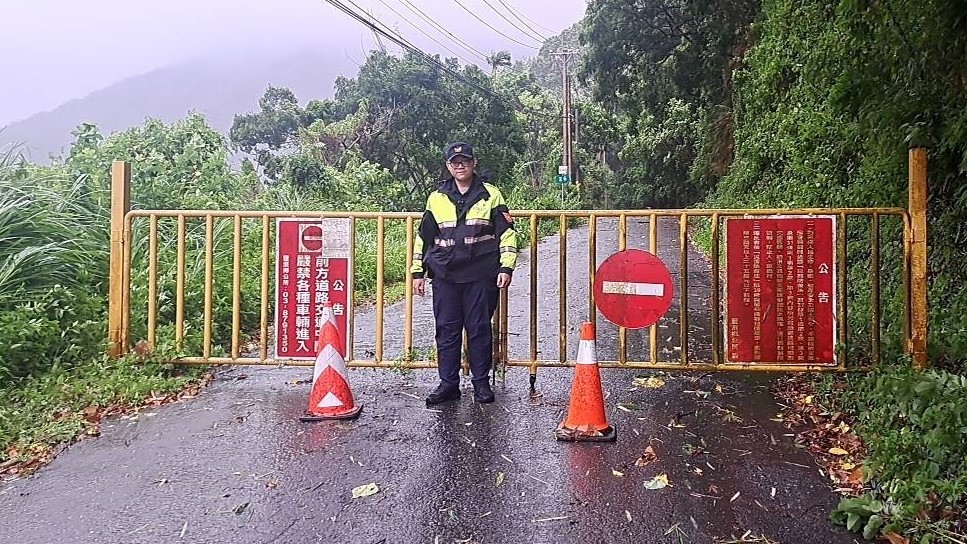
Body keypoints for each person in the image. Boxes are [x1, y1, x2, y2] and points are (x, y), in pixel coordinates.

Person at [410, 142, 518, 404]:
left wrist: (506, 267)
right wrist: (417, 272)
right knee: (447, 330)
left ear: (474, 163)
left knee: (479, 329)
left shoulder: (491, 194)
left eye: (465, 161)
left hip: (481, 274)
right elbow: (424, 237)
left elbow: (506, 234)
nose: (460, 166)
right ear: (448, 166)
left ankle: (481, 383)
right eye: (455, 162)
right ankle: (448, 384)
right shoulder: (436, 197)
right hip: (445, 274)